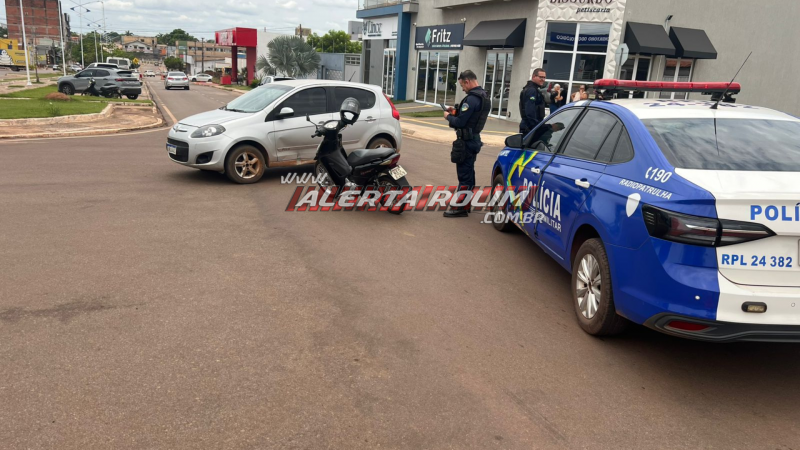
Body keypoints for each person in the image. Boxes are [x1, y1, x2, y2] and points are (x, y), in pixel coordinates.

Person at [442, 70, 491, 218]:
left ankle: (460, 208)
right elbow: (470, 118)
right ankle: (466, 204)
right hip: (474, 138)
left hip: (467, 141)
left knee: (464, 175)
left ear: (467, 81)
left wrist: (448, 116)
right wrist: (456, 112)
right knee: (469, 173)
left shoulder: (471, 99)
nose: (462, 89)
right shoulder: (483, 96)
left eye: (462, 85)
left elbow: (461, 122)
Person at [518, 68, 547, 136]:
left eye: (544, 77)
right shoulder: (532, 90)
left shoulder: (533, 89)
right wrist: (537, 126)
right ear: (534, 77)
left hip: (530, 126)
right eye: (541, 77)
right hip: (530, 127)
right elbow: (530, 111)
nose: (543, 79)